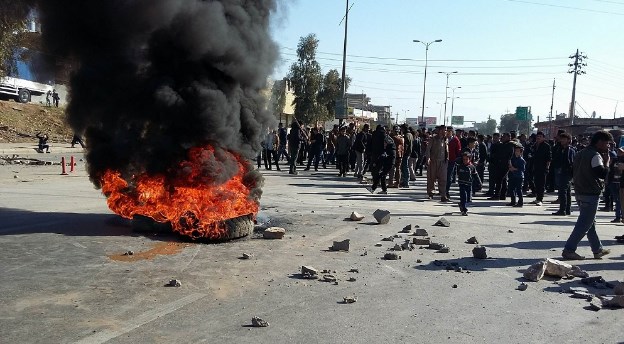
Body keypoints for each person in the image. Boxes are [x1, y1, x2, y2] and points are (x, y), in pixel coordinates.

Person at [562, 130, 612, 260]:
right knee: (584, 224)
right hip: (590, 193)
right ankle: (569, 249)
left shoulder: (580, 153)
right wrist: (607, 162)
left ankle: (597, 249)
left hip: (580, 191)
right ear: (600, 142)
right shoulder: (595, 155)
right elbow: (601, 173)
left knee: (590, 223)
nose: (608, 147)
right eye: (607, 143)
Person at [552, 132, 575, 215]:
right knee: (567, 191)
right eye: (561, 138)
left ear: (568, 140)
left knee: (563, 191)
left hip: (566, 173)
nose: (562, 140)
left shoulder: (569, 150)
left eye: (564, 139)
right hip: (563, 172)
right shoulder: (561, 149)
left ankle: (563, 210)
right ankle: (567, 209)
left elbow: (571, 162)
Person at [426, 125, 449, 202]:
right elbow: (428, 149)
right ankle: (431, 193)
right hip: (433, 161)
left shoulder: (446, 140)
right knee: (431, 178)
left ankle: (443, 195)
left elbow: (447, 150)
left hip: (443, 161)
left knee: (443, 179)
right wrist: (428, 158)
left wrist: (447, 159)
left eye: (445, 130)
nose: (444, 132)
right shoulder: (433, 139)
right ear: (439, 131)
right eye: (443, 130)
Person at [368, 125, 393, 195]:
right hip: (383, 155)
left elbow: (370, 145)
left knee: (377, 172)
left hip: (375, 155)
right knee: (381, 173)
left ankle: (375, 186)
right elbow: (390, 144)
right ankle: (377, 187)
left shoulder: (373, 135)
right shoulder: (385, 136)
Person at [529, 132, 552, 206]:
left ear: (543, 138)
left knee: (541, 184)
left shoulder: (546, 146)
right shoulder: (535, 145)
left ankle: (540, 199)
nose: (538, 138)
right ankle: (537, 198)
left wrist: (547, 167)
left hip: (542, 167)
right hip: (534, 167)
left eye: (540, 136)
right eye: (537, 136)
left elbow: (549, 158)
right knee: (536, 183)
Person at [456, 152, 480, 216]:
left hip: (469, 184)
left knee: (468, 199)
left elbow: (476, 175)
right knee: (463, 196)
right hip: (462, 184)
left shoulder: (472, 167)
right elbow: (457, 173)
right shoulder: (460, 166)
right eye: (464, 159)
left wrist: (479, 183)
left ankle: (462, 204)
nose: (465, 161)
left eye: (466, 159)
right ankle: (464, 209)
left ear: (469, 159)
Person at [446, 127, 462, 198]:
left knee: (449, 176)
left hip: (451, 161)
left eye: (450, 131)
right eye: (447, 131)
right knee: (442, 176)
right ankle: (442, 190)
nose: (448, 132)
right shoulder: (443, 139)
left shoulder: (455, 140)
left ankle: (446, 191)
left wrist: (456, 159)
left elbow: (458, 151)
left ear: (452, 132)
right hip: (443, 160)